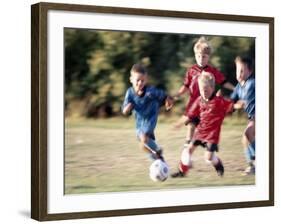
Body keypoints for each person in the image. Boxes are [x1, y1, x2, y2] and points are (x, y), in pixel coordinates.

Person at [173, 36, 234, 146]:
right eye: (198, 56)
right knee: (191, 124)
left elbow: (224, 82)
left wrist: (235, 88)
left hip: (207, 105)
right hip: (194, 104)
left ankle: (208, 147)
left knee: (205, 129)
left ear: (208, 57)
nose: (201, 58)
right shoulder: (191, 71)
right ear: (195, 56)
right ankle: (187, 146)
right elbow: (185, 86)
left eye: (204, 56)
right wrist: (177, 94)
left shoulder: (212, 71)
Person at [171, 72, 233, 177]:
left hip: (212, 135)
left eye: (206, 90)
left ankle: (218, 165)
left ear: (212, 88)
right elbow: (189, 115)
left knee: (208, 157)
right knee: (188, 149)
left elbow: (231, 105)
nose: (203, 92)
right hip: (200, 132)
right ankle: (182, 172)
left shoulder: (219, 101)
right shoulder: (199, 100)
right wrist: (179, 124)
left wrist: (239, 104)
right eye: (201, 90)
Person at [122, 64, 174, 161]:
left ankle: (157, 152)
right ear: (131, 79)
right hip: (139, 123)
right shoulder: (129, 93)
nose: (140, 83)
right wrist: (127, 109)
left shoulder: (151, 91)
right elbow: (124, 110)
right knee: (144, 145)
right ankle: (158, 159)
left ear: (146, 80)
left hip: (150, 119)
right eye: (137, 80)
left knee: (144, 139)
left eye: (143, 80)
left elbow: (164, 96)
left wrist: (168, 101)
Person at [230, 56, 255, 175]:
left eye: (242, 70)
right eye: (237, 70)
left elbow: (245, 102)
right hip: (252, 117)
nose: (239, 73)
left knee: (248, 132)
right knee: (245, 139)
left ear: (250, 71)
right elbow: (231, 103)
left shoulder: (252, 84)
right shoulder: (239, 87)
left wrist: (239, 104)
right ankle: (252, 166)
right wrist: (219, 100)